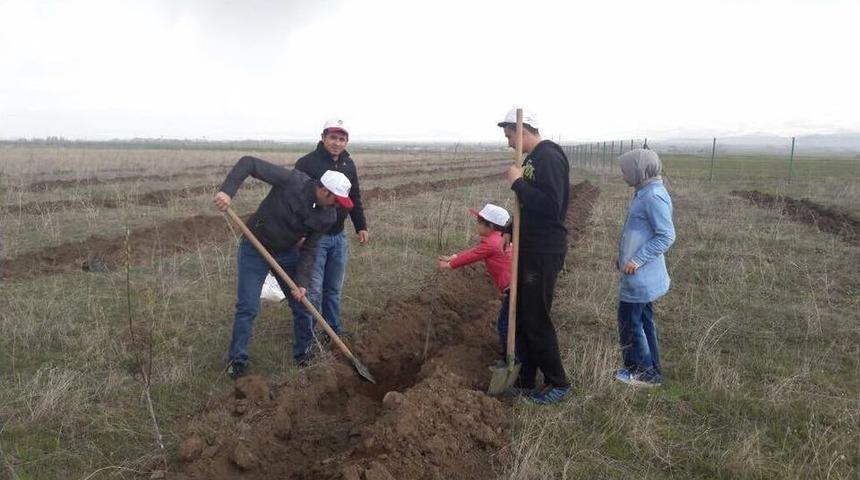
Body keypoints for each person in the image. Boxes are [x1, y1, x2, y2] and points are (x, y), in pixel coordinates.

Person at [213, 155, 354, 378]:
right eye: (336, 200)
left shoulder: (328, 216)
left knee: (303, 305)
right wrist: (226, 192)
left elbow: (310, 249)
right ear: (325, 191)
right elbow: (249, 163)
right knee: (248, 306)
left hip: (287, 252)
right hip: (255, 247)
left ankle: (304, 355)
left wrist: (302, 283)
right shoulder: (292, 181)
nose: (338, 206)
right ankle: (237, 360)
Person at [497, 108, 571, 405]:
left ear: (523, 130)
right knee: (525, 316)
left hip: (543, 250)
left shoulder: (549, 157)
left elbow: (552, 206)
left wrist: (517, 182)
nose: (508, 143)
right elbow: (528, 206)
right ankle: (526, 379)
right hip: (530, 245)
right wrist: (511, 228)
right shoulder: (533, 160)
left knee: (536, 317)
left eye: (509, 136)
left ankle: (558, 381)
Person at [294, 118, 369, 342]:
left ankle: (332, 330)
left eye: (342, 138)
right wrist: (300, 234)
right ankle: (312, 335)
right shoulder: (307, 163)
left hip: (338, 236)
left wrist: (361, 226)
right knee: (314, 290)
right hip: (315, 238)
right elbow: (296, 199)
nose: (337, 143)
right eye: (333, 137)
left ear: (347, 141)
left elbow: (354, 196)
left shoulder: (348, 165)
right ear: (323, 137)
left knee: (333, 288)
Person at [613, 148, 675, 387]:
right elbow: (640, 234)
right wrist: (624, 257)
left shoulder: (652, 196)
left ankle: (643, 373)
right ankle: (651, 368)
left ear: (639, 171)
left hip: (640, 276)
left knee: (631, 322)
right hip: (637, 273)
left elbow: (666, 235)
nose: (622, 175)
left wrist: (636, 259)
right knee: (643, 320)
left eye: (625, 170)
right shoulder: (646, 192)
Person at [437, 203, 513, 358]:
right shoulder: (499, 239)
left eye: (479, 222)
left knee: (504, 325)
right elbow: (476, 251)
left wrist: (450, 265)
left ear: (490, 225)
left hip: (513, 289)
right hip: (517, 286)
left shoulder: (492, 243)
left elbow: (474, 256)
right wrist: (455, 257)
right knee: (510, 323)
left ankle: (510, 356)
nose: (476, 225)